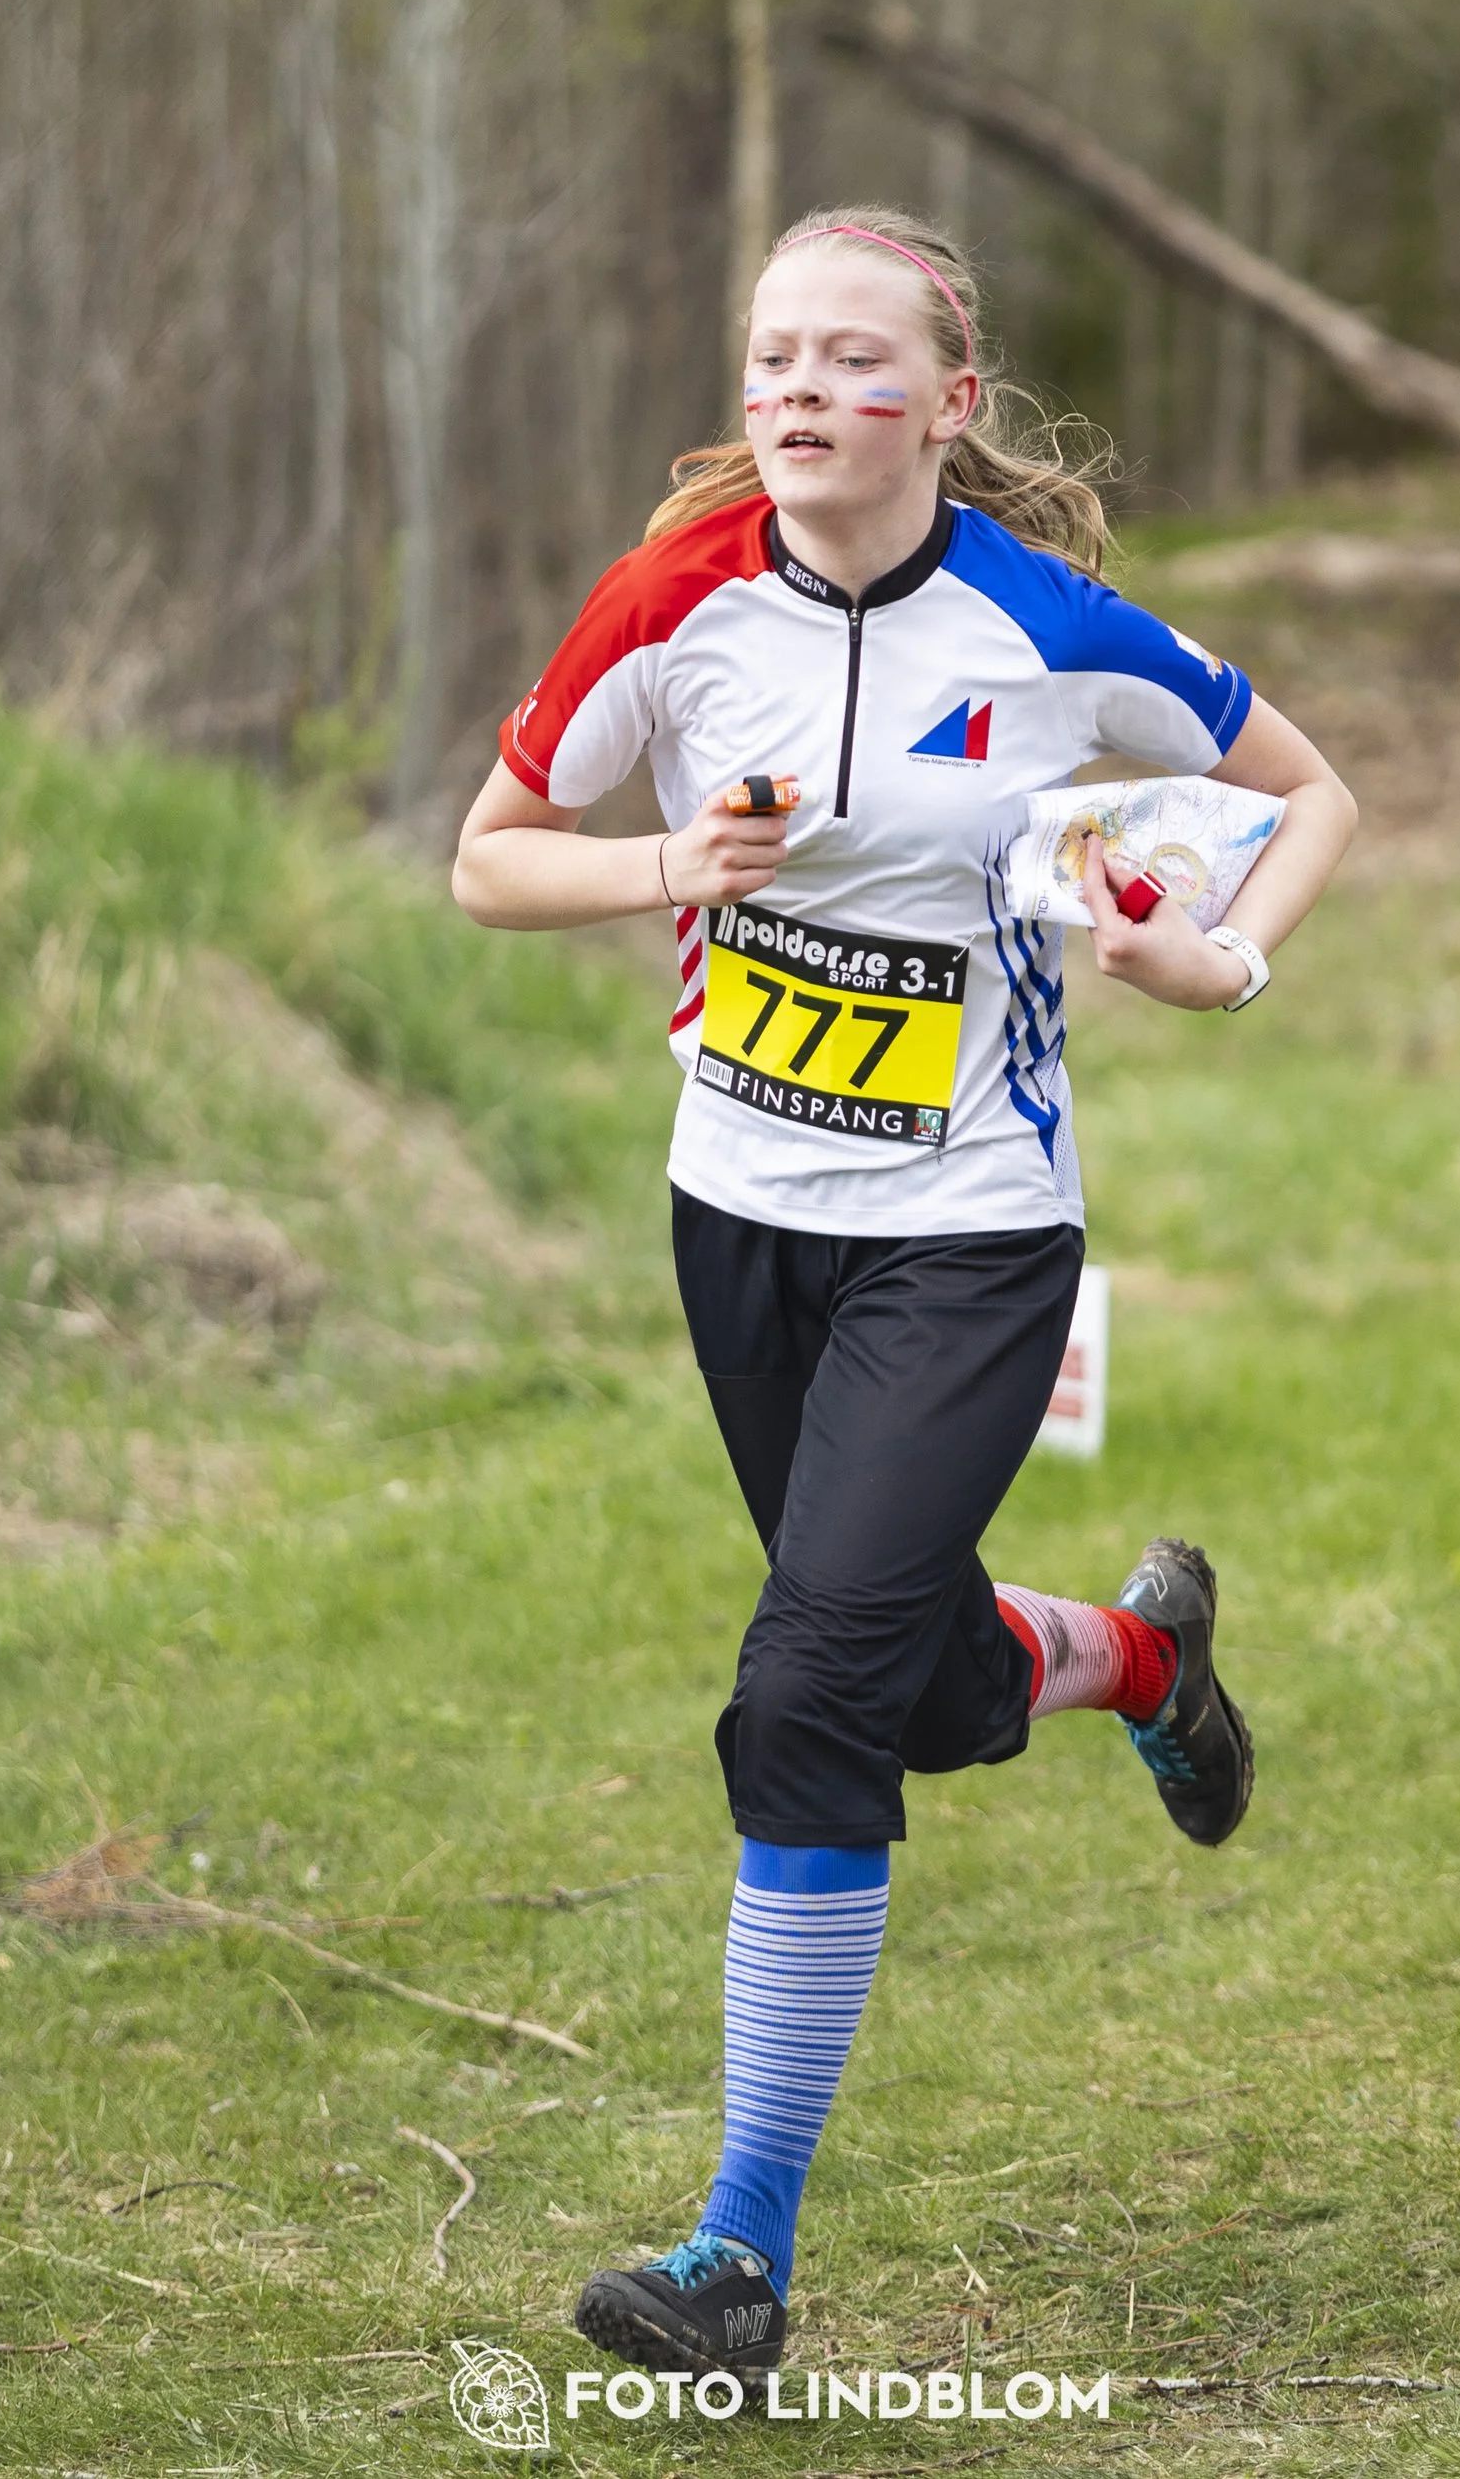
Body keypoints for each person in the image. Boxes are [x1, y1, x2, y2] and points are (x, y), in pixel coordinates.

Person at [453, 205, 1356, 2379]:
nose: (794, 392)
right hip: (736, 1219)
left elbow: (1307, 792)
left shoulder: (1047, 629)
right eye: (769, 354)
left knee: (800, 1697)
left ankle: (733, 2257)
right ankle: (1142, 1654)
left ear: (946, 403)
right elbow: (488, 855)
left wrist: (1205, 953)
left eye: (850, 361)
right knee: (911, 1681)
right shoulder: (667, 605)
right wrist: (663, 863)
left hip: (966, 1230)